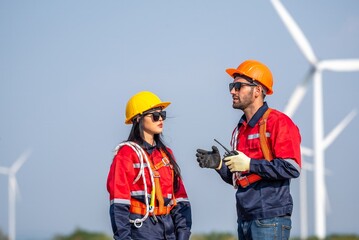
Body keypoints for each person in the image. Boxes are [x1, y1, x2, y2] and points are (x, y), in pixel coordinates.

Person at [196, 60, 301, 240]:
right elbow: (241, 179)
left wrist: (250, 164)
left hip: (270, 218)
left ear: (258, 91)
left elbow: (291, 167)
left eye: (238, 86)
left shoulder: (278, 122)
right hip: (245, 218)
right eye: (232, 86)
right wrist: (219, 165)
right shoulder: (240, 130)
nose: (232, 91)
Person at [107, 91, 192, 240]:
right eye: (155, 116)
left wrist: (183, 234)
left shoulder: (166, 155)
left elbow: (179, 199)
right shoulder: (126, 154)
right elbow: (119, 204)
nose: (160, 120)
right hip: (141, 232)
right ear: (138, 118)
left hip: (169, 232)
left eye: (162, 115)